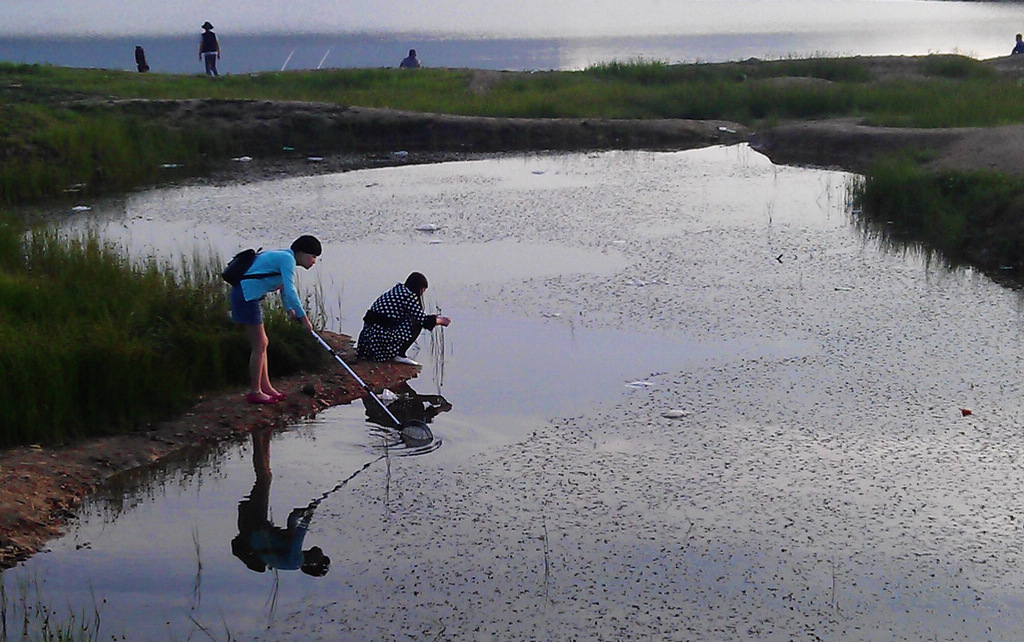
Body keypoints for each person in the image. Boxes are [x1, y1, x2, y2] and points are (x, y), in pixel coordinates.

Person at [230, 235, 322, 404]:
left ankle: (266, 387)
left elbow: (284, 290)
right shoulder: (287, 259)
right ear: (301, 253)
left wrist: (290, 310)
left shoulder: (284, 257)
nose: (314, 261)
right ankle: (255, 391)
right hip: (245, 296)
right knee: (259, 345)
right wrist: (304, 319)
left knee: (263, 343)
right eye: (313, 256)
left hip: (248, 296)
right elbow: (291, 289)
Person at [231, 429, 331, 576]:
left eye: (321, 558)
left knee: (264, 478)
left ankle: (258, 433)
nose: (322, 553)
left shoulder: (295, 561)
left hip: (254, 526)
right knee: (265, 477)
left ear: (313, 563)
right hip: (253, 527)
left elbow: (299, 535)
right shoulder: (290, 553)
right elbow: (292, 518)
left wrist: (309, 515)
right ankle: (263, 434)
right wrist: (302, 512)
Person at [356, 272, 450, 366]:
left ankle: (391, 352)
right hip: (379, 340)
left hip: (367, 340)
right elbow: (423, 320)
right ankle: (399, 354)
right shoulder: (408, 296)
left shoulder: (398, 290)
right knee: (416, 323)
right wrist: (440, 321)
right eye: (423, 290)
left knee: (411, 319)